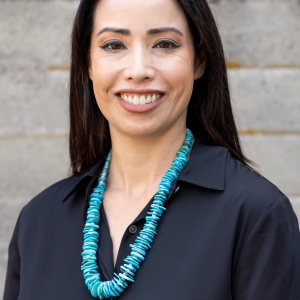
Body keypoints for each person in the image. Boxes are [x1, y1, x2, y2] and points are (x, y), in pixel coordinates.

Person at [3, 0, 300, 299]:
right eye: (114, 45)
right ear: (88, 63)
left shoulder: (256, 213)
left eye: (165, 44)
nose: (138, 70)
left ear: (200, 61)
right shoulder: (38, 220)